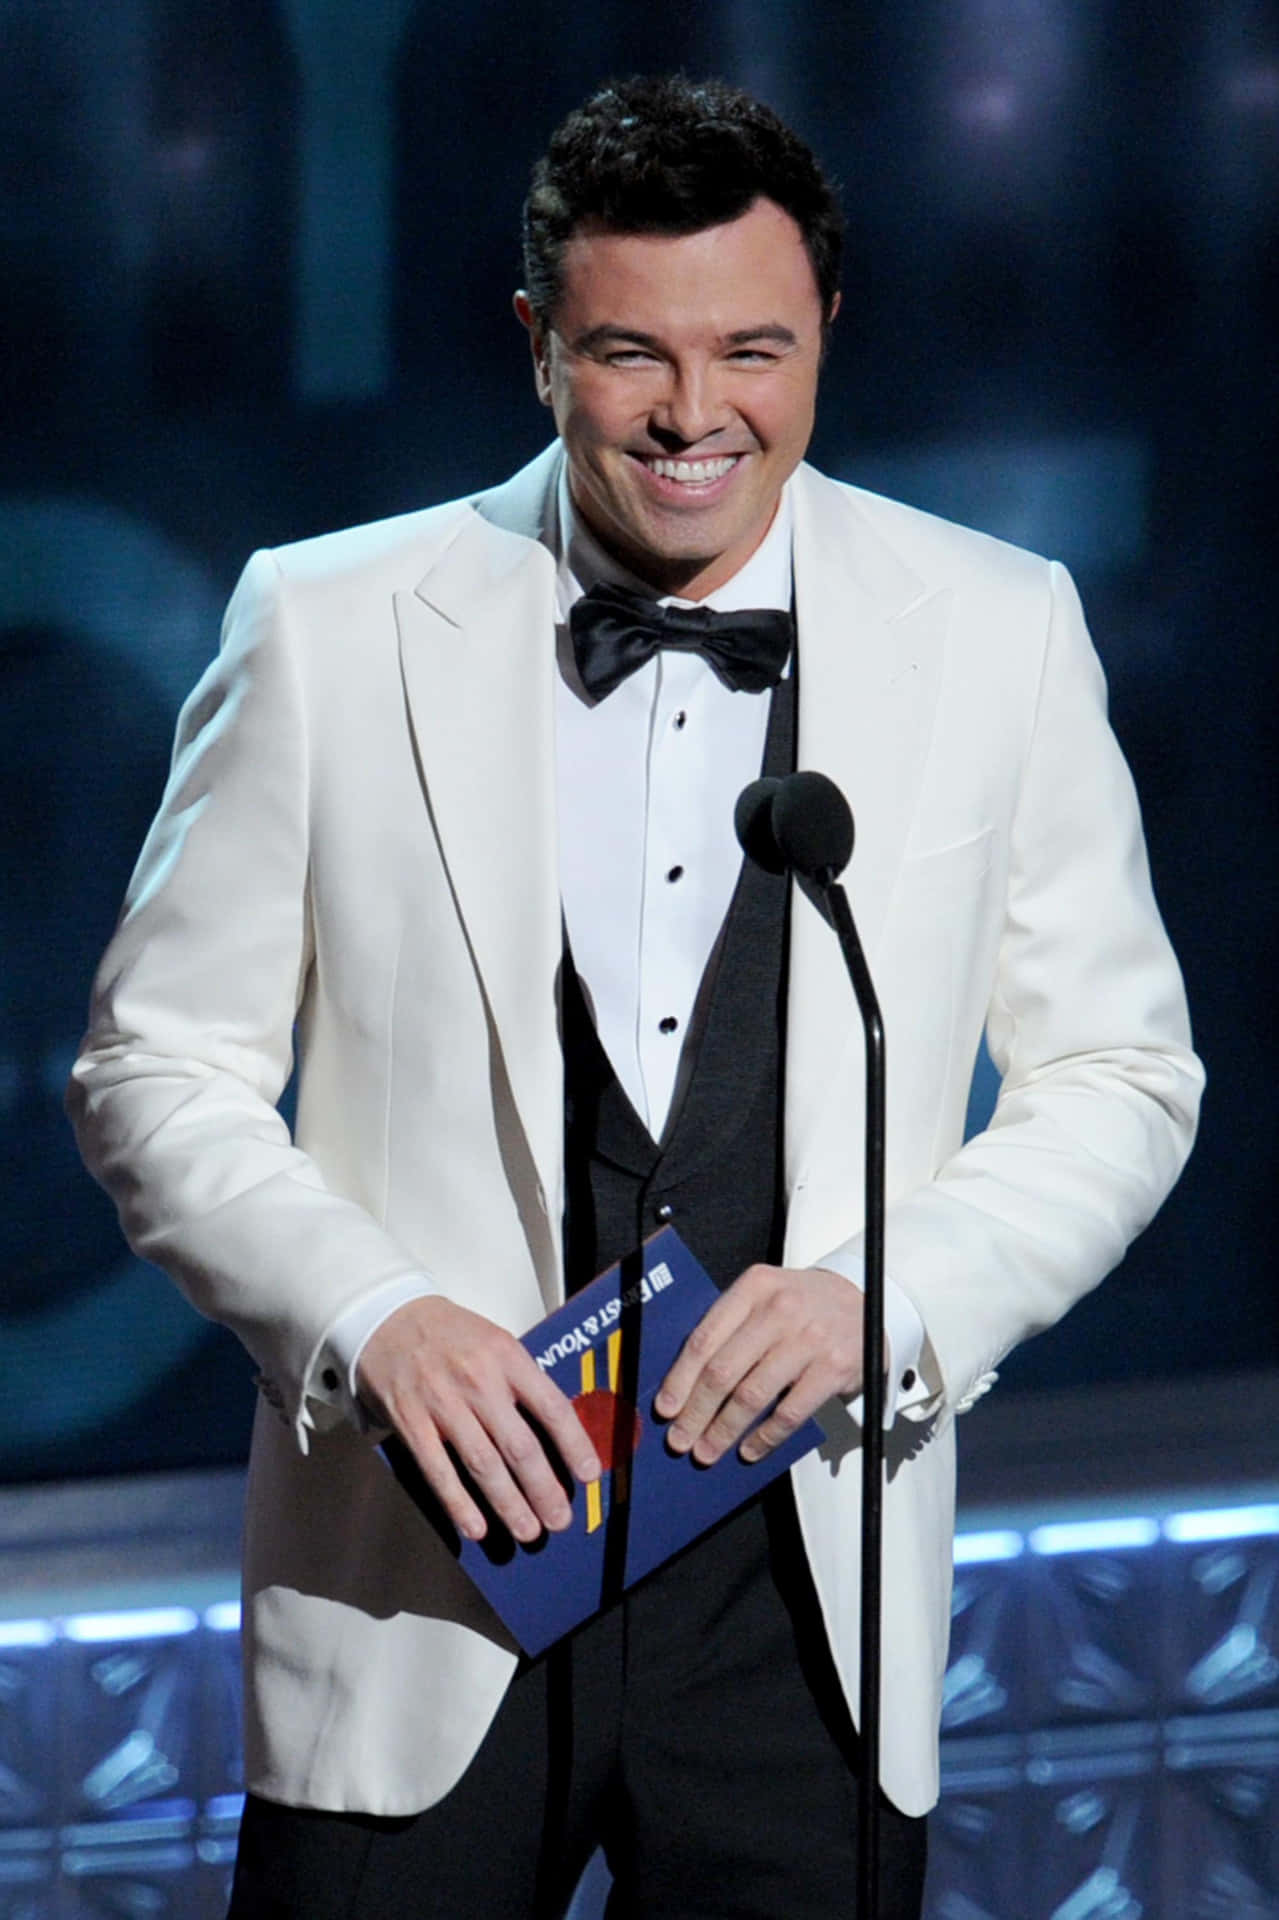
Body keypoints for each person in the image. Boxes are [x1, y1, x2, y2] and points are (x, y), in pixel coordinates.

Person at [69, 74, 1202, 1920]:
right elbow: (151, 1067)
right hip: (418, 1594)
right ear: (537, 346)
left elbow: (1121, 1073)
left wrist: (882, 1304)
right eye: (628, 355)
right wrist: (370, 1317)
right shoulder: (329, 622)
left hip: (805, 1602)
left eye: (751, 348)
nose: (695, 417)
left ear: (828, 326)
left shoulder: (1000, 628)